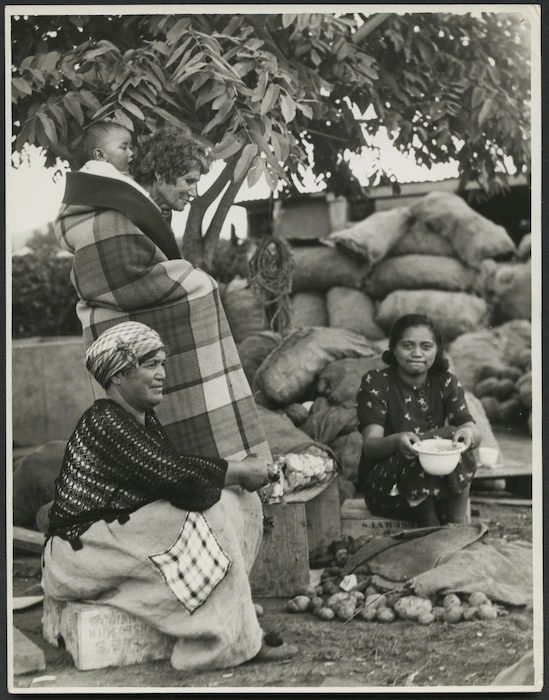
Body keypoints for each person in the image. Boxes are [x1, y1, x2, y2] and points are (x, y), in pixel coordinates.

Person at [42, 322, 297, 670]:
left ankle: (229, 609)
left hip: (110, 540)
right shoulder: (104, 420)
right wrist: (238, 469)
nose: (162, 374)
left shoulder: (142, 420)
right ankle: (223, 645)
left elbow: (183, 482)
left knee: (240, 500)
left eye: (162, 364)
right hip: (77, 554)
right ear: (117, 376)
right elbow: (178, 479)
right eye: (150, 365)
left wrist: (236, 477)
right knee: (209, 513)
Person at [54, 124, 270, 467]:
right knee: (202, 286)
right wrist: (196, 285)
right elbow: (126, 281)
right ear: (159, 173)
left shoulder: (141, 213)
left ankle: (203, 470)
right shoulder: (116, 216)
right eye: (187, 180)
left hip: (129, 341)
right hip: (113, 335)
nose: (194, 191)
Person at [356, 314, 480, 526]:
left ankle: (458, 524)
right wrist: (397, 441)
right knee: (421, 449)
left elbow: (471, 429)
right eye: (407, 346)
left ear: (436, 351)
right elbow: (371, 445)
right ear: (394, 349)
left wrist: (468, 435)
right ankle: (430, 528)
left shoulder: (446, 382)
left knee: (458, 443)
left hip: (436, 490)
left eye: (426, 346)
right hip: (387, 491)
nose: (417, 353)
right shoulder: (376, 382)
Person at [76, 120, 150, 198]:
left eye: (130, 148)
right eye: (124, 148)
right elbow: (143, 198)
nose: (131, 153)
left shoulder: (82, 177)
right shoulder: (111, 175)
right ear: (100, 155)